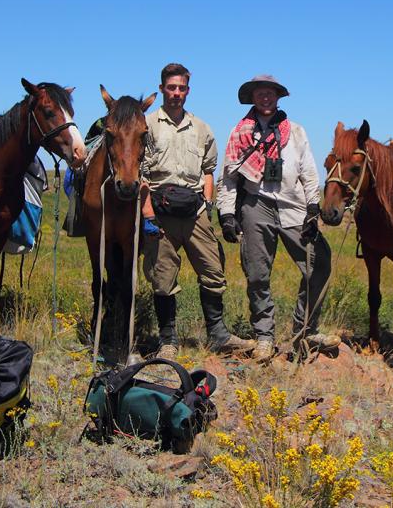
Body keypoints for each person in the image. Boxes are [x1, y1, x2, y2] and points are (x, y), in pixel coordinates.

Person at [216, 75, 340, 363]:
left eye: (270, 93)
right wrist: (226, 213)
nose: (266, 98)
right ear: (253, 98)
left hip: (294, 206)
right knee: (257, 273)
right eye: (261, 93)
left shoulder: (295, 132)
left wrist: (312, 207)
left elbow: (309, 171)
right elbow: (229, 178)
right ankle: (264, 337)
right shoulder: (239, 133)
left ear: (278, 97)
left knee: (319, 262)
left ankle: (305, 330)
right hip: (255, 205)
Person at [141, 63, 256, 360]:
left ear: (188, 91)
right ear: (162, 88)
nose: (176, 93)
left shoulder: (201, 128)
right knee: (163, 278)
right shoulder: (147, 125)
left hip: (195, 213)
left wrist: (206, 203)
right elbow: (141, 175)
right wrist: (148, 215)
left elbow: (209, 170)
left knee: (213, 271)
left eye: (181, 88)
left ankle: (217, 335)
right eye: (171, 87)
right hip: (161, 215)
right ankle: (168, 340)